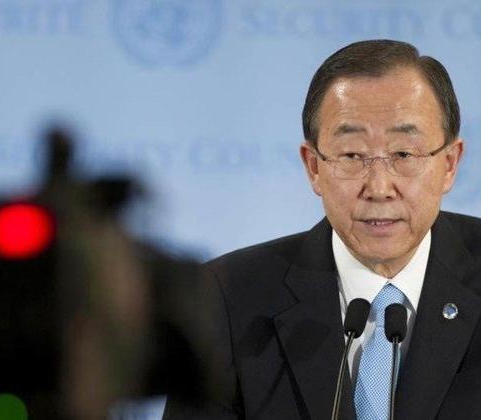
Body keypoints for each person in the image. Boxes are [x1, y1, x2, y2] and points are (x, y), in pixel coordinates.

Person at [163, 39, 481, 419]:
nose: (379, 188)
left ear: (449, 164)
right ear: (313, 166)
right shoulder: (226, 299)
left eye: (403, 154)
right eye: (352, 155)